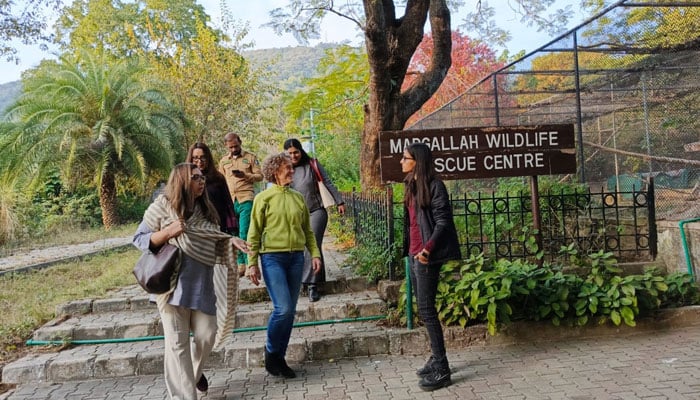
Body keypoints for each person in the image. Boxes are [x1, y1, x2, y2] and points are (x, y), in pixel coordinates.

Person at [133, 163, 249, 399]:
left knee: (208, 335)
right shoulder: (162, 207)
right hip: (172, 286)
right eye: (195, 177)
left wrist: (230, 241)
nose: (201, 181)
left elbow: (212, 237)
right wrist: (168, 233)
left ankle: (193, 375)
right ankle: (185, 396)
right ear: (181, 181)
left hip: (201, 285)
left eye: (202, 177)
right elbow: (138, 238)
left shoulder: (206, 210)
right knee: (177, 345)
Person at [245, 152, 322, 379]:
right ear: (275, 171)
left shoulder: (298, 198)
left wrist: (315, 254)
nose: (291, 170)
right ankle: (271, 352)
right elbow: (254, 232)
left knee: (289, 313)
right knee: (283, 308)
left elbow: (308, 231)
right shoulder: (263, 198)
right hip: (272, 259)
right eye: (287, 167)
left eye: (291, 167)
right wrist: (251, 263)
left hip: (296, 258)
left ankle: (279, 358)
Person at [401, 142, 461, 392]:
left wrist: (427, 249)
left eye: (405, 158)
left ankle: (442, 367)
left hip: (427, 256)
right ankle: (437, 358)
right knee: (424, 308)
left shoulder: (435, 186)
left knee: (427, 309)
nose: (401, 162)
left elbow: (443, 222)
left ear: (418, 161)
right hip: (415, 255)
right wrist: (411, 251)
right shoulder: (411, 184)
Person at [283, 138, 345, 302]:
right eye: (289, 153)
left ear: (301, 150)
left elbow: (328, 182)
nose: (293, 155)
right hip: (295, 215)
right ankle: (314, 278)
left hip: (316, 211)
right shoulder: (284, 169)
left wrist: (339, 201)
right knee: (301, 246)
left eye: (296, 152)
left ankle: (312, 286)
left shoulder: (312, 164)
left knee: (312, 245)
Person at [218, 132, 263, 275]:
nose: (233, 149)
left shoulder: (250, 158)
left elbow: (260, 176)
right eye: (230, 147)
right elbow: (220, 180)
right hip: (230, 201)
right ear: (226, 146)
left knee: (245, 231)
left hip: (246, 199)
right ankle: (240, 263)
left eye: (235, 146)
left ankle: (251, 263)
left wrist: (245, 175)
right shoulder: (223, 161)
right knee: (234, 232)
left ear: (240, 142)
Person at [186, 142, 237, 235]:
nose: (199, 161)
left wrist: (231, 227)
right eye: (195, 158)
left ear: (208, 158)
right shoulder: (185, 178)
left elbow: (227, 203)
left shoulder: (218, 178)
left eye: (203, 157)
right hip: (194, 228)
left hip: (217, 226)